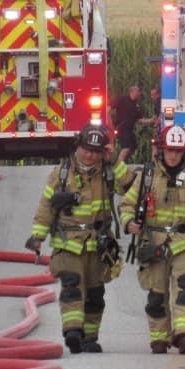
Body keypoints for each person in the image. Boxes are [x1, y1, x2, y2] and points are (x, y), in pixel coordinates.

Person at [25, 124, 135, 354]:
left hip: (99, 244)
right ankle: (73, 331)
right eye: (86, 149)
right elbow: (46, 205)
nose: (90, 155)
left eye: (95, 151)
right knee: (72, 286)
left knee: (95, 294)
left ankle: (90, 337)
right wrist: (38, 235)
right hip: (68, 242)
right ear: (78, 147)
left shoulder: (107, 172)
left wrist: (114, 160)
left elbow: (130, 186)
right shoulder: (61, 173)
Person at [119, 125, 185, 354]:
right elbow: (127, 204)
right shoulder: (146, 177)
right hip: (153, 243)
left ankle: (184, 334)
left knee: (184, 288)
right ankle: (159, 337)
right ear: (161, 150)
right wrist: (128, 222)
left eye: (178, 151)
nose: (173, 155)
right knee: (157, 294)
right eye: (169, 150)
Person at [110, 85, 157, 163]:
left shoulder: (136, 105)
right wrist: (109, 122)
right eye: (138, 91)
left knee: (133, 147)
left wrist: (151, 120)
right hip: (122, 128)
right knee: (126, 147)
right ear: (132, 92)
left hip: (129, 130)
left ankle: (123, 162)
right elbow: (109, 108)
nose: (139, 93)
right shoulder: (122, 99)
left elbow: (140, 120)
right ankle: (118, 166)